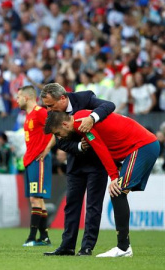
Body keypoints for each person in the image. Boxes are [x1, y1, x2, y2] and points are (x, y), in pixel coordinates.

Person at [44, 110, 159, 257]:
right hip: (142, 146)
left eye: (58, 133)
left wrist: (113, 176)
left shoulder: (82, 124)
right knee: (118, 192)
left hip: (142, 146)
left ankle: (123, 248)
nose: (59, 138)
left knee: (117, 191)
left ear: (65, 124)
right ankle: (123, 247)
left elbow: (100, 149)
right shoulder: (81, 117)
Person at [41, 83, 115, 256]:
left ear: (62, 98)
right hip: (75, 164)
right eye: (46, 106)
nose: (48, 109)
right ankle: (67, 247)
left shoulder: (85, 98)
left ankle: (87, 247)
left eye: (50, 105)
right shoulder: (54, 113)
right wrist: (79, 147)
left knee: (93, 206)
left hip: (97, 162)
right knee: (72, 206)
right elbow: (60, 141)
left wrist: (92, 118)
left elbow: (109, 106)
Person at [16, 85, 54, 246]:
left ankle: (32, 237)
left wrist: (46, 150)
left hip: (39, 160)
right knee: (38, 199)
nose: (16, 100)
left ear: (27, 97)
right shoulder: (28, 115)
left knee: (35, 198)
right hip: (30, 159)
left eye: (18, 97)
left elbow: (55, 129)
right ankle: (44, 237)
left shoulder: (40, 112)